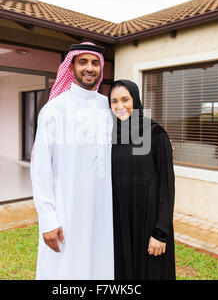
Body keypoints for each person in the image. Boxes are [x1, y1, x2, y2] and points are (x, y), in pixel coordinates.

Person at [30, 42, 114, 280]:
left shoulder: (108, 107)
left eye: (95, 63)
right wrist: (47, 218)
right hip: (65, 213)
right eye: (83, 62)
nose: (90, 68)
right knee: (63, 272)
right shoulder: (54, 109)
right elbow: (40, 169)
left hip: (102, 212)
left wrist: (157, 141)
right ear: (71, 67)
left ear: (101, 68)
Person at [108, 79, 176, 280]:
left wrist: (160, 232)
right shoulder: (109, 136)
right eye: (114, 102)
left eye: (125, 100)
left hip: (149, 224)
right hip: (121, 223)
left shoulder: (155, 133)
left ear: (135, 100)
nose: (120, 107)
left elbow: (167, 186)